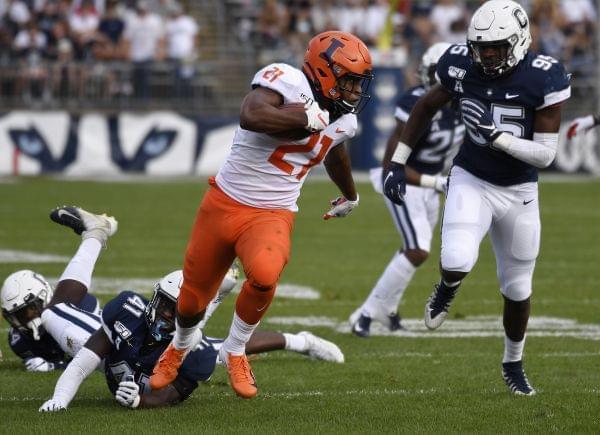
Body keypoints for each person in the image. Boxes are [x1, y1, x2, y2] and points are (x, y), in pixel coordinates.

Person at [150, 30, 373, 399]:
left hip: (273, 212)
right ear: (325, 72)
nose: (354, 92)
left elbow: (335, 150)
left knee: (266, 275)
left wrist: (349, 194)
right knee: (190, 302)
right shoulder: (288, 80)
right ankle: (179, 346)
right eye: (350, 82)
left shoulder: (344, 120)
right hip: (224, 203)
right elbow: (250, 114)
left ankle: (235, 351)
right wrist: (302, 118)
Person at [381, 0, 570, 395]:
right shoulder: (460, 64)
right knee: (456, 258)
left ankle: (513, 363)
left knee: (517, 287)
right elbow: (425, 106)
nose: (485, 56)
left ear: (518, 42)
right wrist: (398, 162)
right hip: (472, 176)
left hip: (520, 188)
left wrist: (498, 136)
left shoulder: (544, 77)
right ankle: (446, 289)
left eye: (495, 48)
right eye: (480, 47)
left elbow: (547, 154)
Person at [39, 269, 345, 411]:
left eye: (178, 311)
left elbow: (171, 396)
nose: (168, 316)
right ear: (154, 299)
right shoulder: (127, 312)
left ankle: (300, 341)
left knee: (224, 352)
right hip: (127, 358)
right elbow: (82, 363)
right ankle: (218, 292)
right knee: (62, 327)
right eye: (167, 307)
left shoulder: (191, 349)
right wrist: (60, 399)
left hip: (177, 351)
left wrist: (138, 401)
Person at [350, 42, 464, 337]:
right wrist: (436, 182)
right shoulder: (416, 101)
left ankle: (388, 311)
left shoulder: (467, 105)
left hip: (431, 186)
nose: (440, 81)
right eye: (435, 73)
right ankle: (365, 313)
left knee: (413, 250)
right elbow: (391, 164)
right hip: (404, 182)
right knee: (417, 249)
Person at [1, 205, 116, 371]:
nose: (27, 318)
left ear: (44, 295)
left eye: (29, 310)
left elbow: (92, 353)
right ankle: (97, 231)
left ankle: (97, 231)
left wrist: (53, 366)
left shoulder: (81, 304)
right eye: (19, 315)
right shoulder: (19, 339)